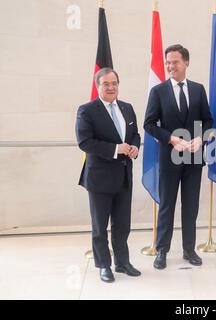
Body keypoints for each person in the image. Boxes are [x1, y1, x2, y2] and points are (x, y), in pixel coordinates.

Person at [144, 44, 213, 270]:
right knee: (167, 206)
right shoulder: (158, 91)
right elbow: (149, 124)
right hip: (169, 158)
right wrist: (171, 139)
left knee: (191, 206)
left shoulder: (198, 89)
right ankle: (161, 250)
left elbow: (208, 121)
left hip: (194, 159)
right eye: (168, 62)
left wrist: (200, 139)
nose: (170, 66)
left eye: (174, 61)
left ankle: (189, 249)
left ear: (186, 63)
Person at [76, 68, 141, 282]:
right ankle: (104, 265)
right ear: (98, 86)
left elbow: (135, 135)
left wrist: (133, 147)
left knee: (122, 225)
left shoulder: (127, 108)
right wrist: (116, 149)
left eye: (114, 83)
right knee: (100, 227)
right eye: (106, 84)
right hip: (99, 178)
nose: (111, 87)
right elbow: (85, 142)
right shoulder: (87, 110)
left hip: (124, 176)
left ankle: (122, 262)